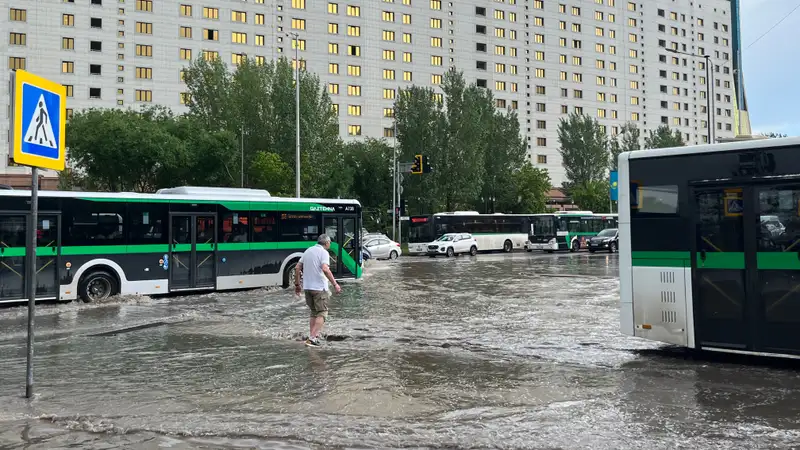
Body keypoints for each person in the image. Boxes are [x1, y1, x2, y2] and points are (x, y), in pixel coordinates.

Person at [295, 234, 341, 347]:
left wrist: (297, 285)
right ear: (326, 243)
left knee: (314, 312)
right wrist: (335, 284)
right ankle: (312, 338)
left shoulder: (308, 250)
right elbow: (325, 269)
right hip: (319, 288)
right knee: (322, 312)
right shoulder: (324, 252)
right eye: (329, 243)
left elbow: (297, 268)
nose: (330, 245)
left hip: (307, 287)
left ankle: (312, 338)